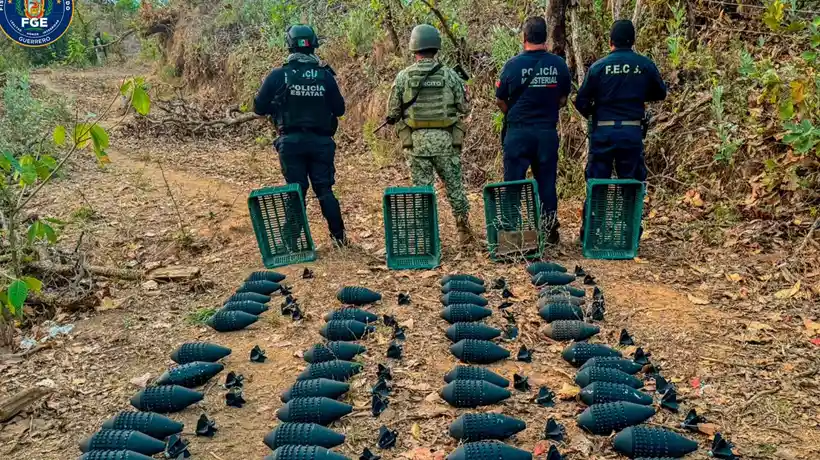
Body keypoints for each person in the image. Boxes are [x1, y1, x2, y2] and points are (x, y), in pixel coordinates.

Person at [254, 24, 348, 247]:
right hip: (321, 142)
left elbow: (258, 107)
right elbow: (340, 110)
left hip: (291, 143)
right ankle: (339, 238)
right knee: (324, 189)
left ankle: (290, 243)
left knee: (295, 190)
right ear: (314, 44)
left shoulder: (279, 75)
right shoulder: (325, 76)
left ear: (289, 45)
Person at [574, 19, 667, 239]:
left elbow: (580, 101)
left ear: (610, 41)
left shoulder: (598, 67)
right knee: (631, 183)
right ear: (633, 41)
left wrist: (594, 113)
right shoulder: (644, 65)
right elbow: (660, 92)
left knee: (597, 182)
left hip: (603, 132)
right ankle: (630, 233)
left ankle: (590, 232)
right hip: (631, 133)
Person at [386, 24, 474, 245]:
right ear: (436, 47)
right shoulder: (450, 76)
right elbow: (464, 108)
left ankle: (426, 235)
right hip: (446, 141)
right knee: (454, 186)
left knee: (422, 190)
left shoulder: (403, 77)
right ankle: (463, 231)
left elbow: (393, 112)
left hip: (416, 143)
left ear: (414, 47)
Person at [496, 16, 571, 245]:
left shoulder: (512, 65)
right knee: (546, 182)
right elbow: (563, 99)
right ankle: (549, 232)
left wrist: (514, 113)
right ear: (545, 37)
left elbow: (500, 100)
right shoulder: (559, 65)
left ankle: (510, 235)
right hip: (546, 133)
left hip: (518, 133)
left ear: (524, 37)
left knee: (513, 184)